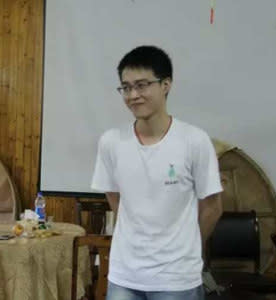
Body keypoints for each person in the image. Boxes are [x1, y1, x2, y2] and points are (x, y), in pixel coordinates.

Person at [91, 46, 223, 300]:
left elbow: (213, 206)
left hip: (176, 279)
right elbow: (115, 199)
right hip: (124, 276)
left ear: (166, 85)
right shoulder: (111, 142)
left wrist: (187, 245)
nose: (133, 95)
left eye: (142, 85)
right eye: (126, 87)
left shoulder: (194, 140)